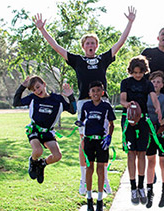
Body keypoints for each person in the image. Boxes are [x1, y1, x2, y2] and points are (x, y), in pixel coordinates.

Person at [33, 6, 136, 194]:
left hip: (102, 102)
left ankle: (103, 181)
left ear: (96, 46)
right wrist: (42, 30)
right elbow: (56, 47)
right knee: (84, 141)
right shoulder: (77, 60)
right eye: (87, 43)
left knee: (104, 139)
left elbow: (120, 43)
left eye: (93, 43)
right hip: (84, 103)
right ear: (83, 46)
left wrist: (129, 22)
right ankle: (83, 180)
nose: (90, 45)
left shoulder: (103, 59)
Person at [13, 76, 76, 184]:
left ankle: (42, 164)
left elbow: (73, 110)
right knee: (38, 151)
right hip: (35, 130)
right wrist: (22, 87)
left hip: (47, 132)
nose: (37, 91)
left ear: (44, 84)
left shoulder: (57, 99)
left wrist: (70, 96)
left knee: (57, 156)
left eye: (38, 87)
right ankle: (33, 162)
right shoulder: (33, 98)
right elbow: (16, 102)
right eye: (34, 90)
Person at [120, 55, 162, 205]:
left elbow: (154, 98)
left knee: (142, 153)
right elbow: (122, 100)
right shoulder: (125, 82)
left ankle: (141, 186)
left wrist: (158, 109)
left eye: (140, 72)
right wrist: (128, 104)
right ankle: (132, 187)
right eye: (135, 72)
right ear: (130, 71)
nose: (137, 75)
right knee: (131, 153)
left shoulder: (147, 84)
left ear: (145, 71)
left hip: (143, 119)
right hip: (129, 119)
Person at [141, 27, 164, 180]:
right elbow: (137, 69)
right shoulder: (148, 52)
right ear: (157, 38)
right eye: (162, 34)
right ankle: (151, 168)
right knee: (148, 133)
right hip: (147, 97)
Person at [77, 81, 116, 211]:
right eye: (93, 91)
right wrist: (79, 123)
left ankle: (99, 200)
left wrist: (109, 137)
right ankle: (89, 198)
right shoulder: (86, 105)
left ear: (102, 93)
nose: (95, 93)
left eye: (98, 90)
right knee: (89, 168)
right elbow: (82, 121)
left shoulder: (106, 106)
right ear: (89, 93)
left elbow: (111, 124)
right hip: (88, 141)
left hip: (101, 141)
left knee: (101, 169)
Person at [146, 71, 164, 208]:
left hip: (161, 132)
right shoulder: (146, 97)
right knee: (150, 161)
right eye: (153, 81)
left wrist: (161, 125)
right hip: (149, 132)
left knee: (163, 161)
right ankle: (150, 192)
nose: (156, 84)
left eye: (158, 82)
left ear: (162, 84)